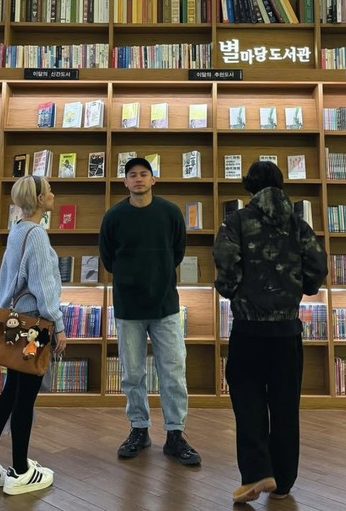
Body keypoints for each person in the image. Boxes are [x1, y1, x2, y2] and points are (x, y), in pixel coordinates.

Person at [213, 160, 327, 504]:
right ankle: (284, 481)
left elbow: (226, 272)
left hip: (248, 330)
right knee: (285, 404)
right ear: (280, 184)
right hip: (287, 330)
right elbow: (315, 270)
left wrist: (235, 290)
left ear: (250, 186)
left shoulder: (236, 221)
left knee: (247, 400)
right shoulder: (299, 222)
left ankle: (256, 473)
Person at [0, 175, 67, 496]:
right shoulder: (36, 235)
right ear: (38, 200)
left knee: (11, 393)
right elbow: (43, 287)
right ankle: (20, 470)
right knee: (25, 399)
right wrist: (59, 326)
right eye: (48, 190)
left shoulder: (18, 230)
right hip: (34, 326)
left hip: (13, 324)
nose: (52, 194)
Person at [98, 157, 201, 466]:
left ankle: (175, 434)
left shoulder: (170, 213)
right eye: (132, 175)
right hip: (128, 307)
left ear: (153, 179)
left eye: (144, 174)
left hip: (165, 305)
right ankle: (139, 429)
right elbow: (108, 259)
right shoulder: (114, 216)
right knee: (132, 374)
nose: (139, 179)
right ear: (125, 182)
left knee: (172, 372)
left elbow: (178, 251)